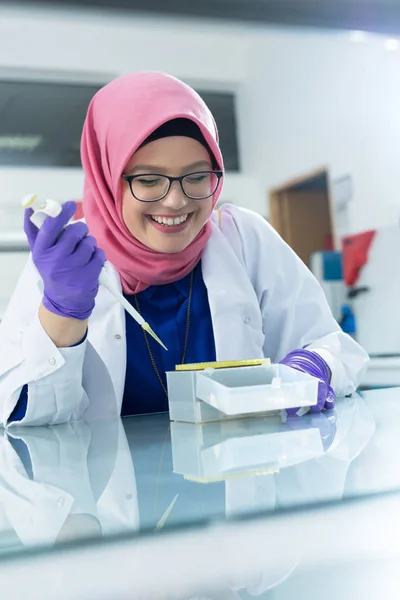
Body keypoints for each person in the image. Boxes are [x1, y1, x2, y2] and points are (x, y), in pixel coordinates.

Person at [0, 71, 369, 426]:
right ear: (106, 178)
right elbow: (23, 419)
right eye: (148, 180)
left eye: (196, 177)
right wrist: (63, 312)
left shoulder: (245, 239)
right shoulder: (70, 259)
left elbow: (334, 347)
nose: (176, 201)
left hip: (236, 481)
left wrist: (315, 365)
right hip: (111, 487)